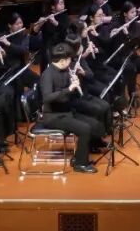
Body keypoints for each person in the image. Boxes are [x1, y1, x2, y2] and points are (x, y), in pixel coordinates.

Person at [37, 43, 99, 173]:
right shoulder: (48, 75)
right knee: (85, 129)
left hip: (66, 111)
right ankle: (80, 164)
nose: (71, 62)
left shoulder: (65, 71)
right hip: (53, 116)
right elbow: (47, 98)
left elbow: (69, 94)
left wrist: (74, 83)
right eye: (69, 59)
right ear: (63, 60)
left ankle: (79, 156)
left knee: (93, 124)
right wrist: (69, 89)